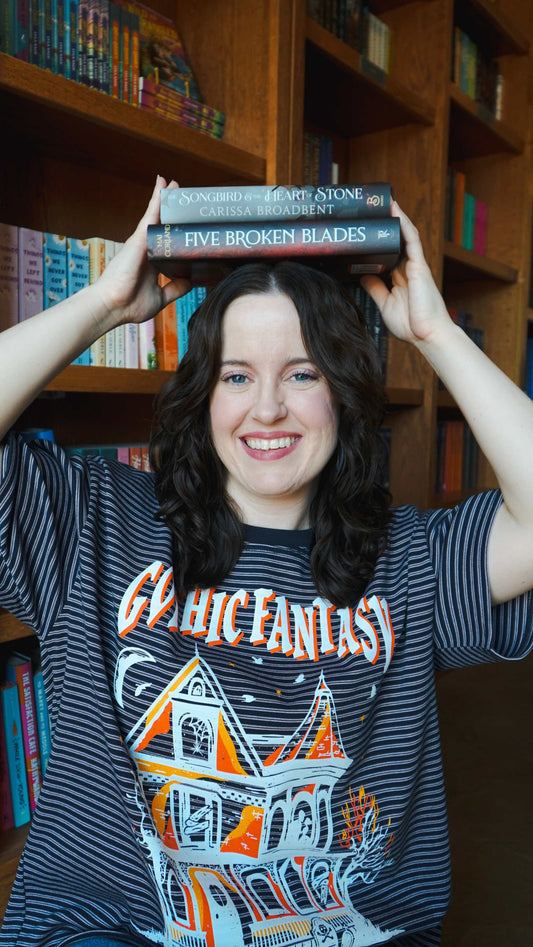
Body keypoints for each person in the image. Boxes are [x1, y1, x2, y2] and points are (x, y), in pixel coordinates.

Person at [0, 175, 532, 947]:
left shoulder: (412, 559)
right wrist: (104, 307)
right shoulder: (94, 521)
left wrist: (435, 334)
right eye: (236, 375)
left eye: (303, 373)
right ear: (202, 395)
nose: (269, 408)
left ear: (342, 393)